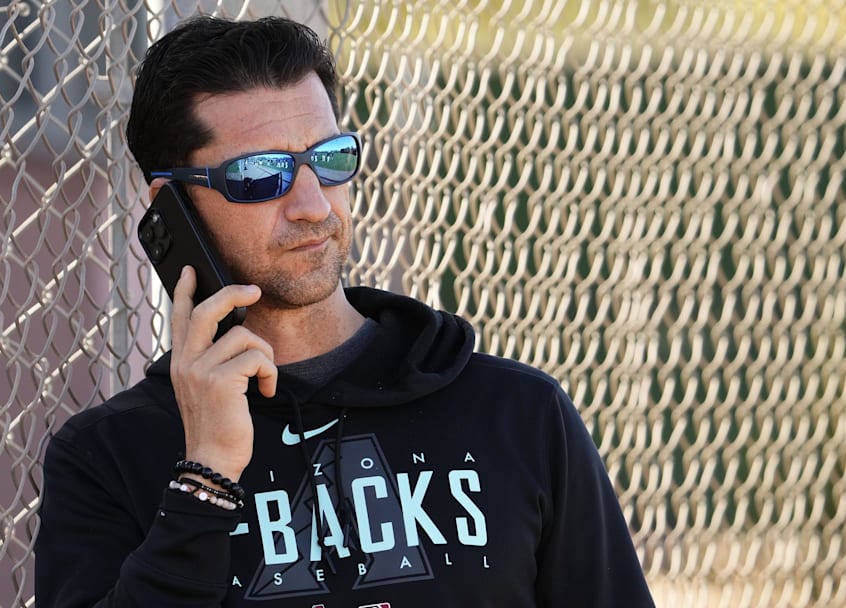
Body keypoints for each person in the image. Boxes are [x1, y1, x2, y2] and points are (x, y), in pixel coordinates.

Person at [34, 15, 654, 607]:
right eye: (260, 175)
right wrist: (205, 479)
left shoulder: (517, 415)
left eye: (329, 159)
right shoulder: (108, 458)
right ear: (171, 209)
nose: (312, 205)